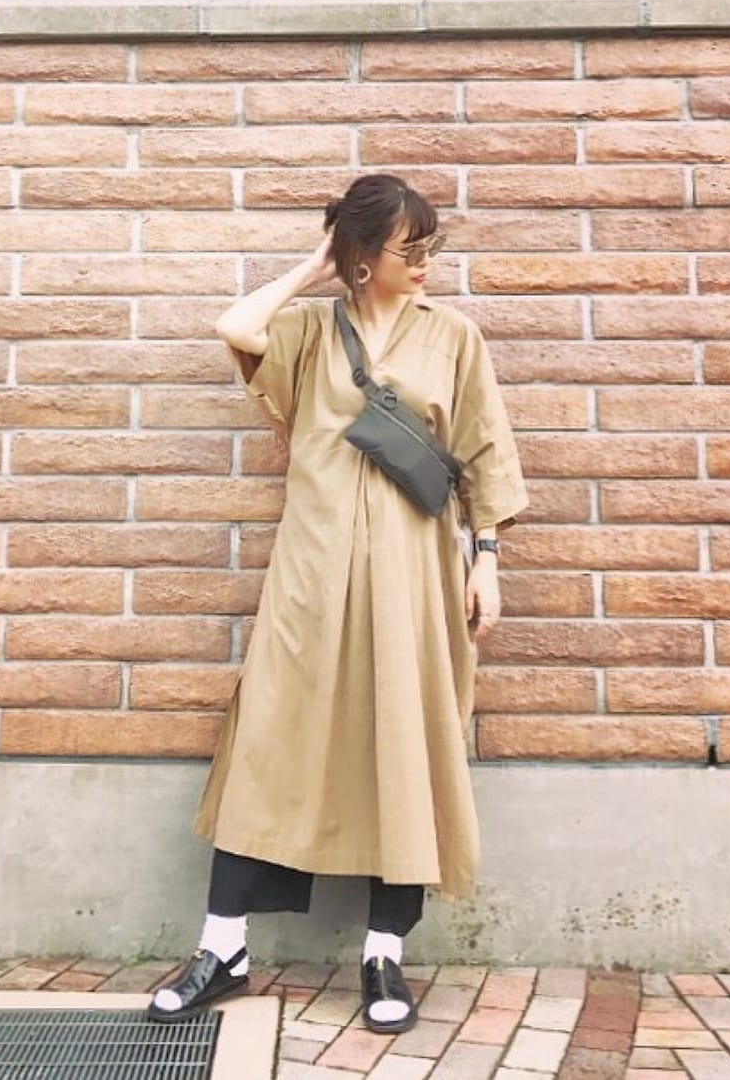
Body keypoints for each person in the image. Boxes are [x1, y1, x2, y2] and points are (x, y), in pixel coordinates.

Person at [147, 173, 529, 1033]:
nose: (425, 262)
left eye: (431, 246)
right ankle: (223, 948)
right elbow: (235, 327)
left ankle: (383, 955)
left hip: (415, 573)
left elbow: (484, 452)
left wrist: (488, 561)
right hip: (311, 572)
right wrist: (314, 268)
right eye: (408, 248)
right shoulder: (310, 332)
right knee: (270, 738)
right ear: (361, 254)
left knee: (405, 741)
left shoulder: (453, 337)